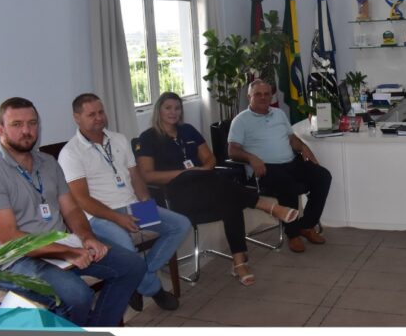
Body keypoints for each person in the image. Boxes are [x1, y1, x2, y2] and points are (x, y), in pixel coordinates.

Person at [0, 97, 145, 326]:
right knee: (78, 296)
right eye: (17, 124)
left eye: (32, 123)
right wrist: (67, 252)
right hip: (18, 260)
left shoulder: (48, 163)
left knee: (133, 266)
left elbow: (71, 209)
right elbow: (10, 239)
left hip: (61, 244)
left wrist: (87, 237)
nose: (27, 130)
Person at [134, 92, 298, 286]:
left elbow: (210, 159)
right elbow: (147, 175)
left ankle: (239, 263)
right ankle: (269, 208)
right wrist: (185, 173)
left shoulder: (187, 130)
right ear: (158, 110)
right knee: (226, 191)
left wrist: (200, 171)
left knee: (230, 201)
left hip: (205, 186)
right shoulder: (148, 137)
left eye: (177, 108)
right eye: (168, 108)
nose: (173, 112)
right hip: (177, 196)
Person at [58, 93, 191, 312]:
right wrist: (117, 218)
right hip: (99, 216)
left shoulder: (118, 139)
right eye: (91, 114)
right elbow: (82, 199)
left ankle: (137, 278)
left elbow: (135, 176)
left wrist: (145, 200)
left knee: (180, 224)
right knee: (127, 248)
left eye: (101, 112)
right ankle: (154, 289)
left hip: (132, 206)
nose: (99, 118)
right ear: (77, 117)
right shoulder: (70, 153)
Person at [228, 79, 332, 253]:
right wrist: (251, 158)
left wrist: (304, 147)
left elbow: (291, 138)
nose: (263, 97)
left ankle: (306, 226)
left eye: (267, 94)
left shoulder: (279, 114)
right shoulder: (240, 120)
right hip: (264, 170)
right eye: (258, 94)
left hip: (290, 163)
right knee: (287, 185)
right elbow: (232, 150)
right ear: (249, 97)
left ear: (271, 96)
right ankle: (293, 234)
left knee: (322, 176)